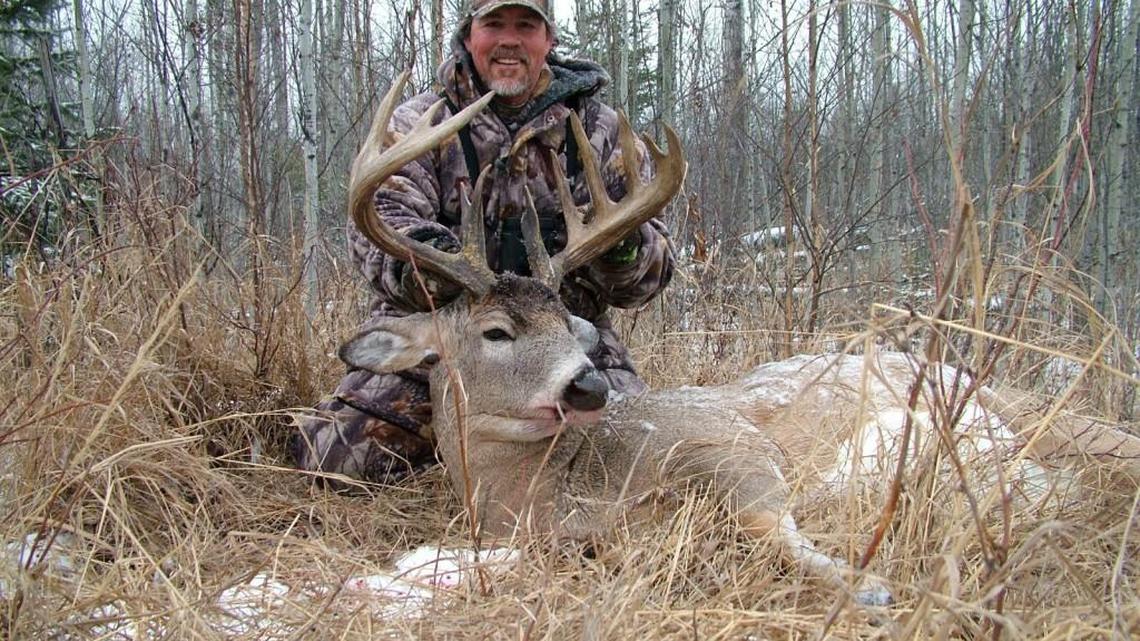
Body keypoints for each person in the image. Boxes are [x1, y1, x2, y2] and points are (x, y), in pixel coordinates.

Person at [292, 0, 676, 485]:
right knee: (337, 461)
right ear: (469, 34)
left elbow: (652, 275)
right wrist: (431, 263)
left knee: (637, 459)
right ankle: (467, 456)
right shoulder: (419, 123)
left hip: (561, 341)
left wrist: (621, 248)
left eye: (526, 25)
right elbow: (380, 225)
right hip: (446, 338)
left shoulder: (601, 133)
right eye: (494, 24)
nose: (509, 40)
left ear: (549, 39)